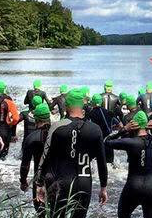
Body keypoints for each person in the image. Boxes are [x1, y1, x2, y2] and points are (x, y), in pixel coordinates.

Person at [35, 89, 109, 218]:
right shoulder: (95, 130)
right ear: (83, 107)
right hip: (85, 183)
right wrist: (103, 188)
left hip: (63, 181)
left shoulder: (58, 127)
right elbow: (102, 161)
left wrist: (40, 184)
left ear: (67, 106)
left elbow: (45, 156)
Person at [107, 111, 152, 218]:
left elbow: (106, 141)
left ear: (133, 125)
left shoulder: (129, 142)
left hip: (133, 186)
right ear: (147, 125)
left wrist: (124, 129)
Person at [19, 103, 52, 213]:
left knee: (41, 213)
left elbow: (25, 165)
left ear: (36, 119)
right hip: (58, 180)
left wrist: (23, 181)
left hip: (39, 181)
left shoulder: (31, 138)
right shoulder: (60, 134)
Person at [87, 94, 120, 164]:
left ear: (92, 103)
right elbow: (120, 125)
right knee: (110, 165)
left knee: (96, 167)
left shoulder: (90, 114)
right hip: (108, 142)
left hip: (97, 143)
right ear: (101, 102)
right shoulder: (109, 112)